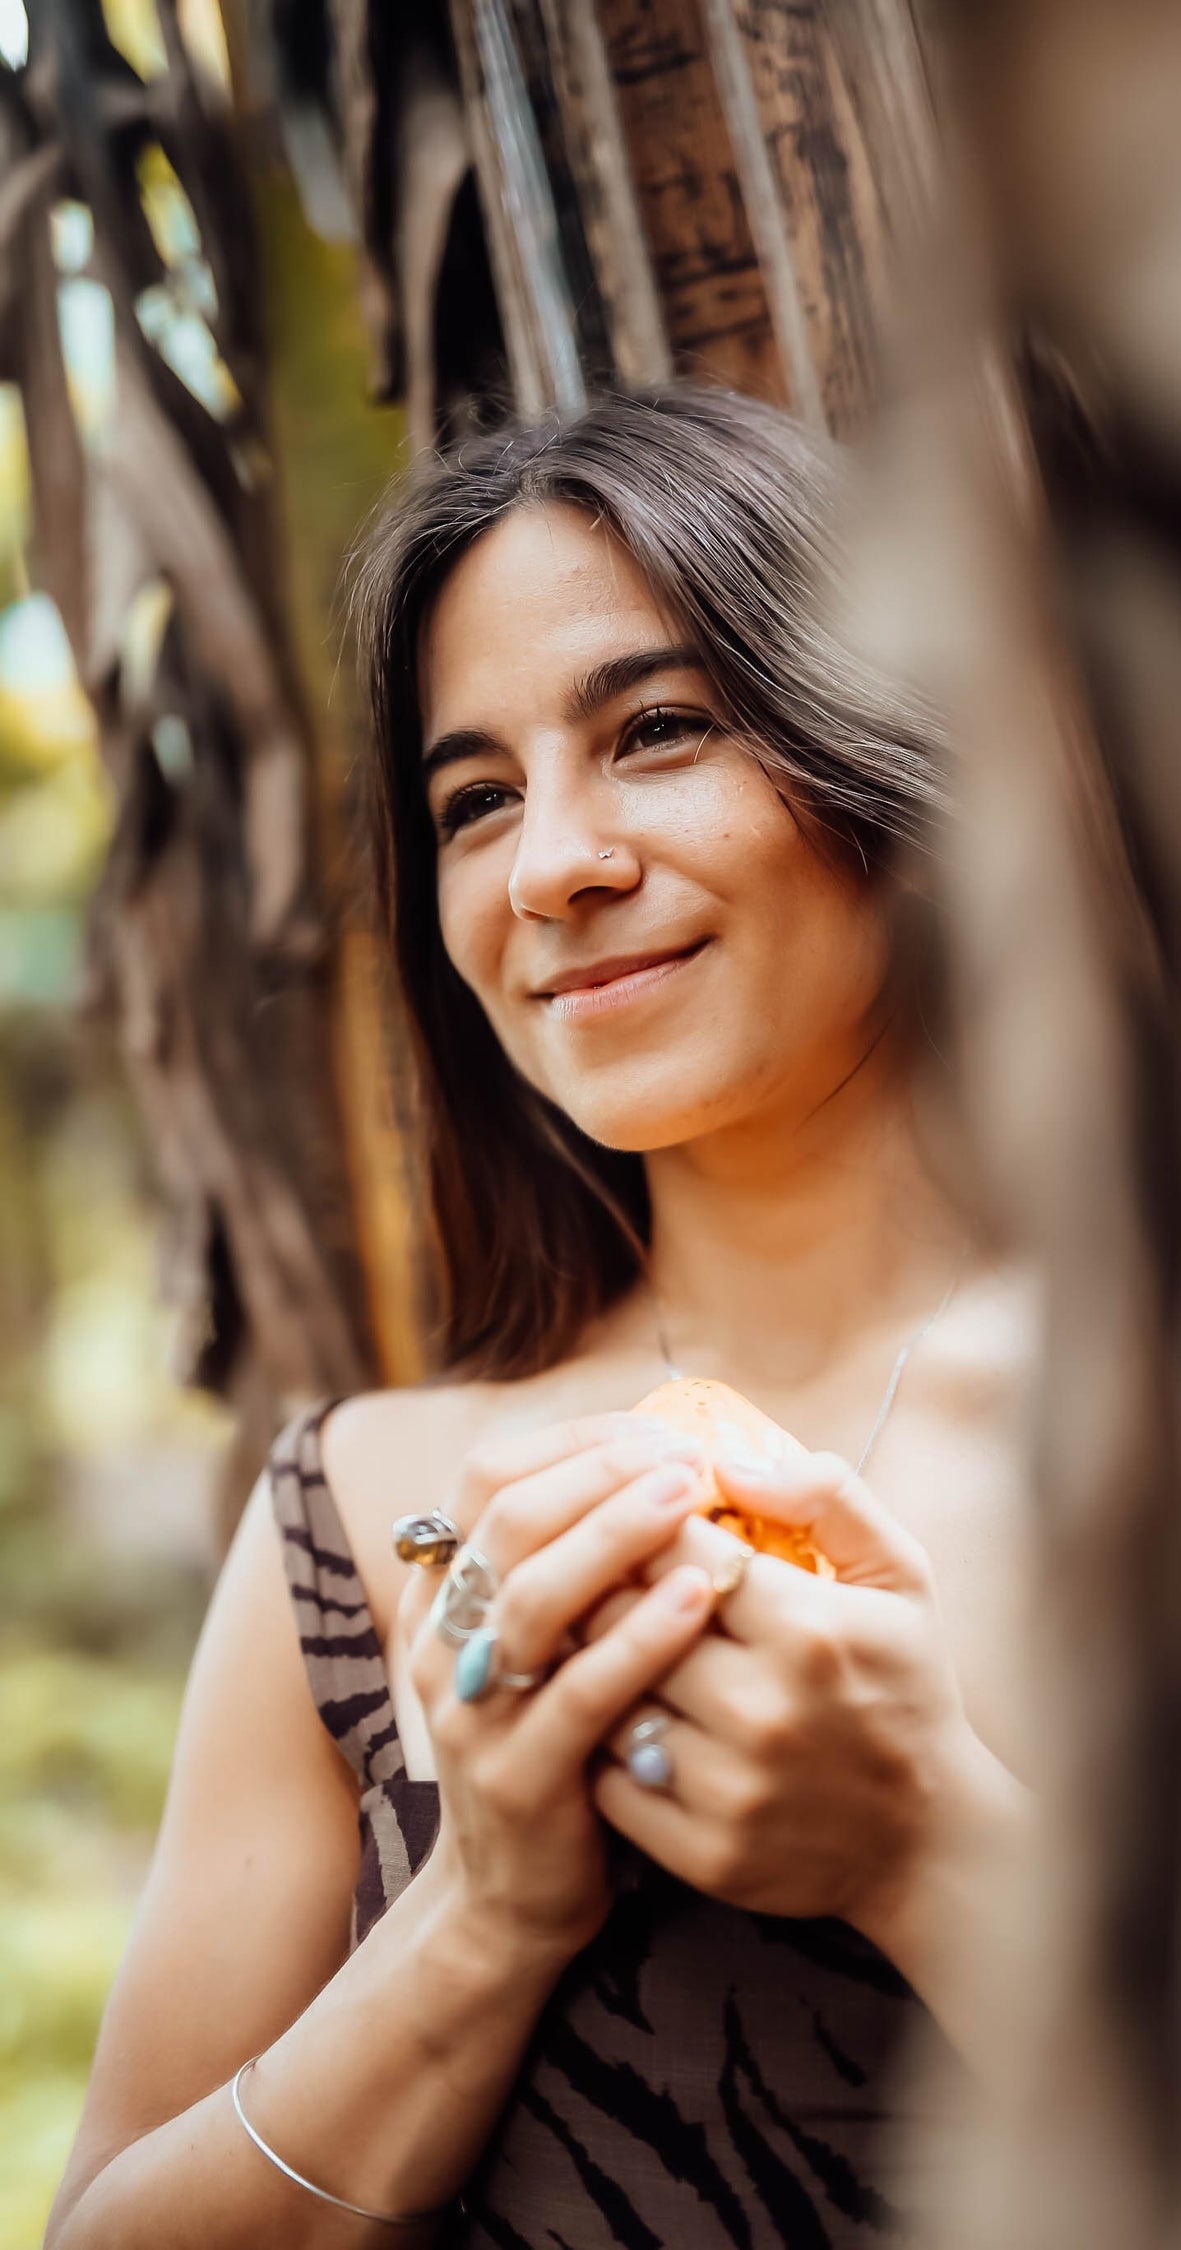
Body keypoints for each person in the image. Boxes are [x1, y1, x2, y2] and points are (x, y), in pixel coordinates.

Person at [46, 384, 1038, 2248]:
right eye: (474, 798)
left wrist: (925, 1842)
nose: (549, 866)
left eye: (656, 730)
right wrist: (483, 1910)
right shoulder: (363, 1512)